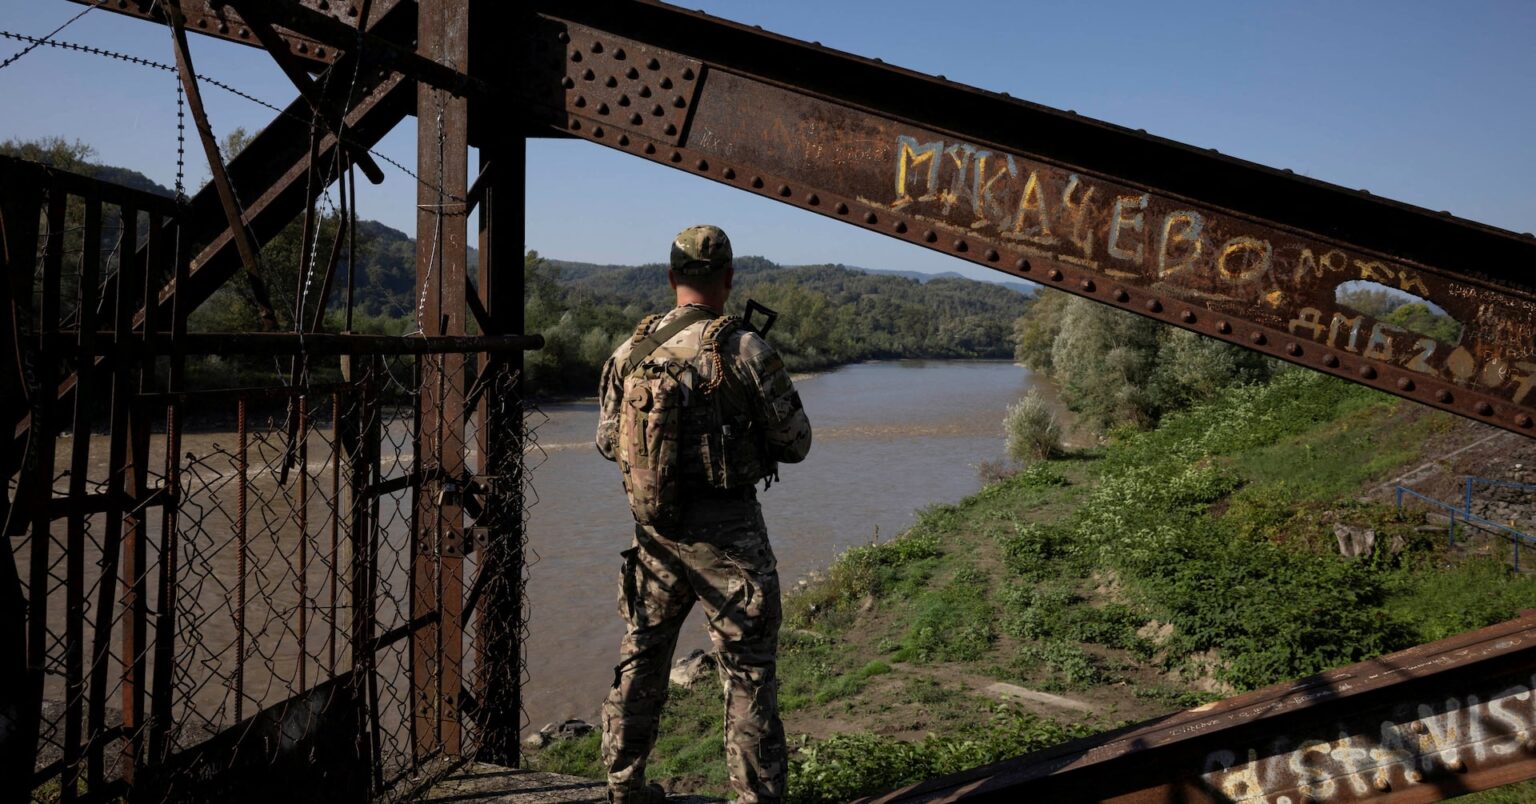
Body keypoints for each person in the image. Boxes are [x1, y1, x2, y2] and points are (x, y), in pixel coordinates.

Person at [595, 225, 812, 803]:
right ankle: (754, 797)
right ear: (729, 278)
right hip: (732, 539)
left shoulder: (630, 351)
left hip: (653, 537)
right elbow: (796, 442)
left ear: (671, 277)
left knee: (641, 658)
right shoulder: (744, 349)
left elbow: (606, 442)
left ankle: (622, 788)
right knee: (747, 672)